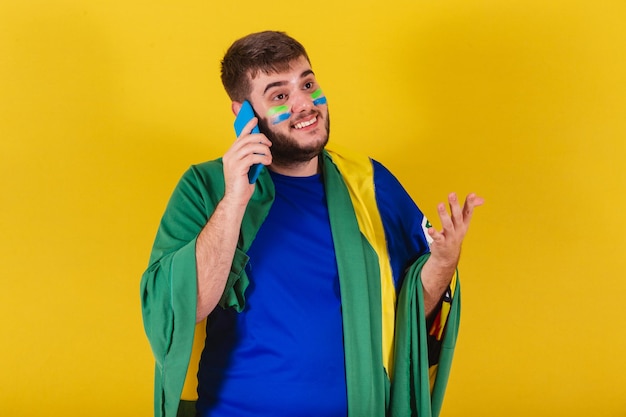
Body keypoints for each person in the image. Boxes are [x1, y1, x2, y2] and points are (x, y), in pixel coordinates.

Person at [140, 30, 483, 417]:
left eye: (308, 83)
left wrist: (442, 263)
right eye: (280, 95)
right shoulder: (204, 187)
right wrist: (235, 198)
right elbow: (181, 310)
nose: (305, 104)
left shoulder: (369, 183)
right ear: (244, 115)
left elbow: (409, 317)